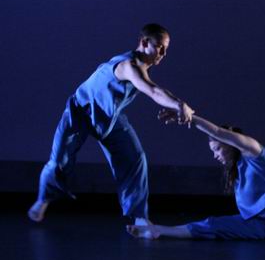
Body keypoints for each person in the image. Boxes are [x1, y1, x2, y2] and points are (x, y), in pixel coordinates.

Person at [27, 24, 194, 226]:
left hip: (110, 117)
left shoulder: (142, 68)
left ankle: (139, 217)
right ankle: (43, 199)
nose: (163, 53)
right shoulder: (129, 66)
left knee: (135, 158)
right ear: (144, 42)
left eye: (166, 48)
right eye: (159, 47)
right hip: (80, 111)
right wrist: (178, 104)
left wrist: (177, 105)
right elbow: (152, 91)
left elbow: (155, 89)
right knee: (59, 162)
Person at [127, 110, 265, 242]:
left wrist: (189, 118)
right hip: (263, 224)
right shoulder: (236, 172)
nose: (215, 155)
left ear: (230, 144)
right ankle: (157, 230)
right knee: (213, 225)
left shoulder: (255, 154)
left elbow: (218, 132)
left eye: (217, 149)